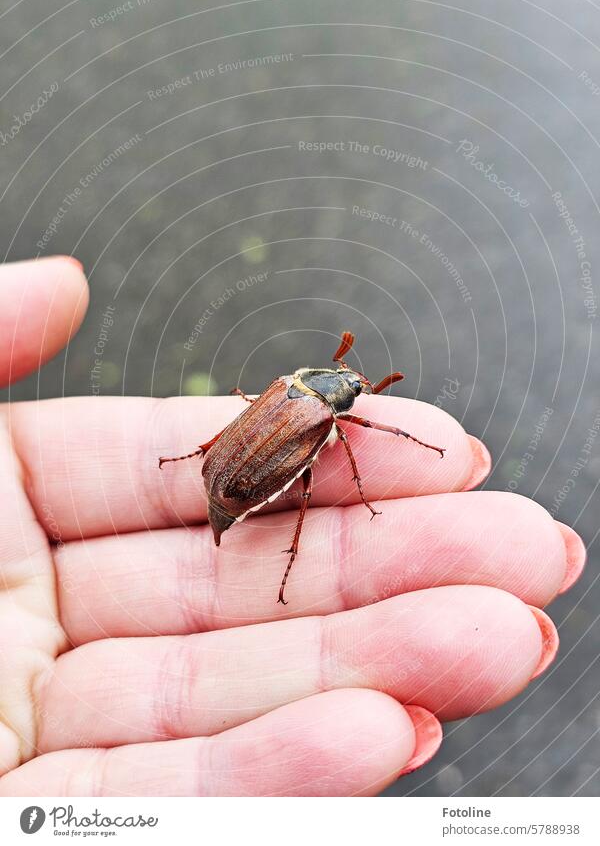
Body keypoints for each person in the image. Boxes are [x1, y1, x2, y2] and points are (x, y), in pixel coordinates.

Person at [0, 256, 585, 796]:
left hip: (226, 468)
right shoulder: (316, 410)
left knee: (286, 456)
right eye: (354, 386)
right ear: (341, 395)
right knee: (307, 491)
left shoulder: (284, 388)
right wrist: (363, 488)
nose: (356, 387)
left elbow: (257, 419)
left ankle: (239, 505)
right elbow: (353, 449)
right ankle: (283, 547)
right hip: (240, 484)